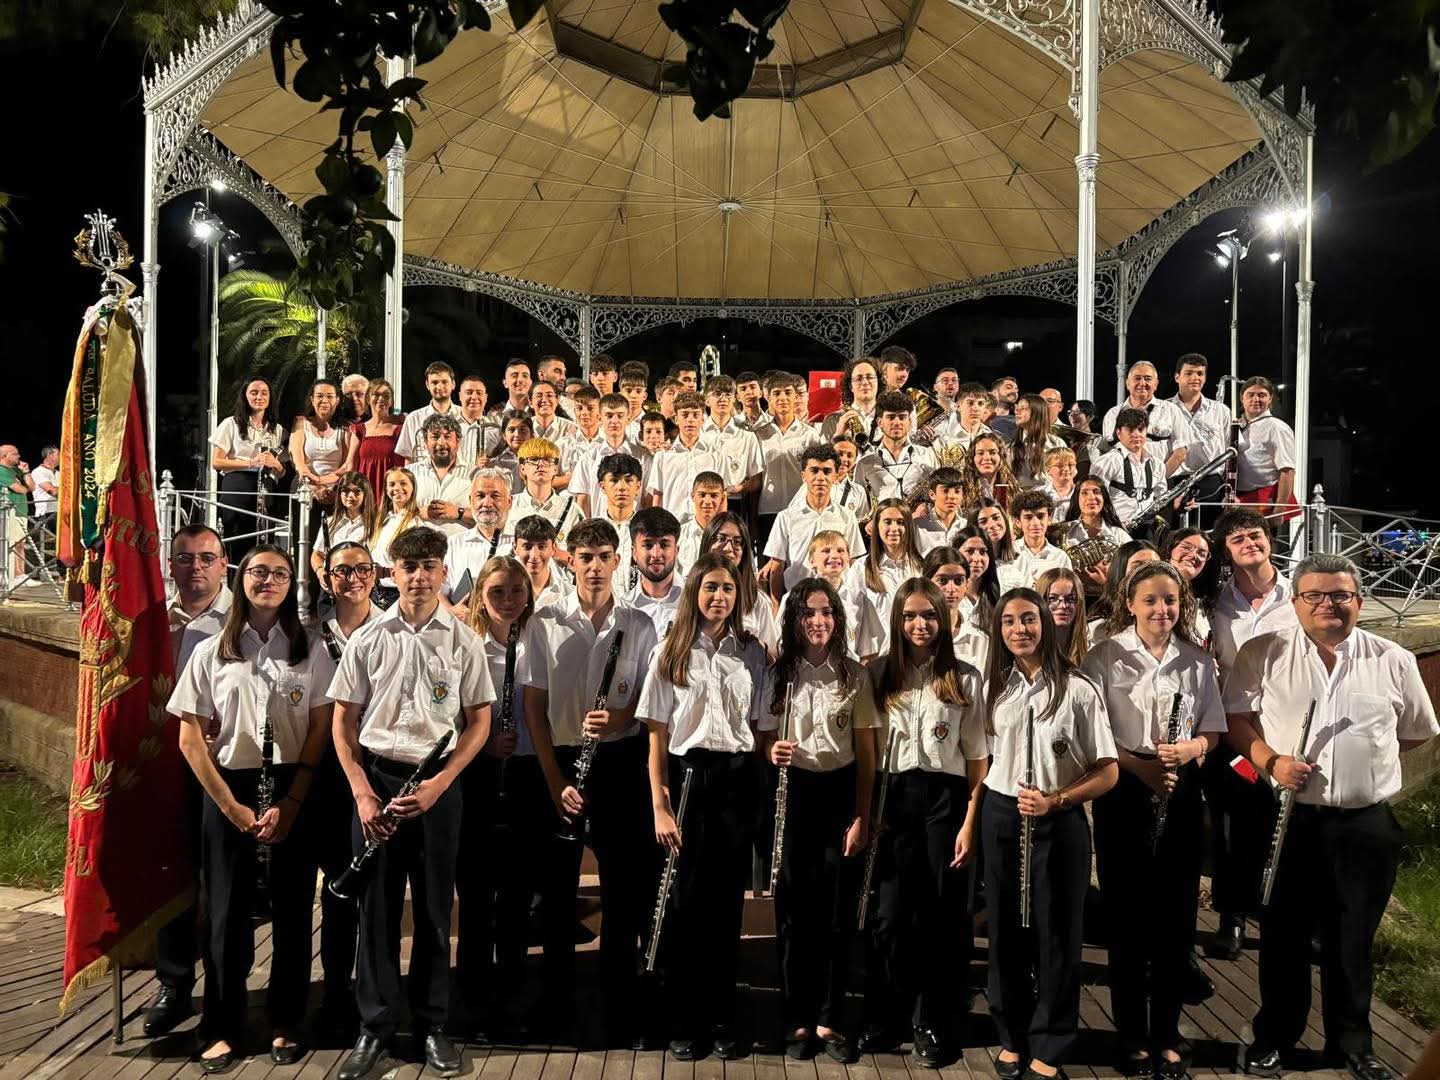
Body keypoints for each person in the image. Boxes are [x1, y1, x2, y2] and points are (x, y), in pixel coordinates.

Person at [1225, 554, 1438, 1080]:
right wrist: (1271, 762)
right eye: (1314, 595)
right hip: (1290, 820)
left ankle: (1353, 1045)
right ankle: (1275, 1037)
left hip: (1365, 825)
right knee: (1284, 937)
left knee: (1353, 939)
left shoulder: (1393, 659)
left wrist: (1366, 770)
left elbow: (1416, 732)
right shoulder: (1263, 651)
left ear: (1359, 602)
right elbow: (1237, 720)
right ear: (1296, 602)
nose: (1328, 605)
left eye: (1340, 595)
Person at [328, 526, 494, 1080]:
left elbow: (478, 722)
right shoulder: (368, 639)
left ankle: (431, 1025)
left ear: (444, 572)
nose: (419, 577)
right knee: (375, 912)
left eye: (429, 566)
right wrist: (361, 791)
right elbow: (343, 723)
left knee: (432, 911)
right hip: (377, 783)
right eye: (408, 567)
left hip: (436, 787)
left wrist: (441, 783)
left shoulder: (464, 640)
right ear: (392, 574)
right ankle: (373, 1027)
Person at [168, 545, 335, 1071]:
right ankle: (221, 1026)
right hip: (229, 787)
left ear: (291, 583)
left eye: (280, 574)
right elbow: (190, 739)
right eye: (260, 572)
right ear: (241, 579)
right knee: (225, 914)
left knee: (292, 910)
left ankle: (286, 1020)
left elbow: (320, 728)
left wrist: (294, 798)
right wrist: (231, 808)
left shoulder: (310, 648)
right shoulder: (210, 650)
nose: (269, 581)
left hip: (290, 788)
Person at [1082, 562, 1226, 1077]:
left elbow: (1212, 729)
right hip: (1124, 784)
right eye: (1151, 600)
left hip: (1178, 786)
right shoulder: (1104, 656)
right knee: (1126, 917)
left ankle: (1166, 1031)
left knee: (1175, 917)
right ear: (1130, 604)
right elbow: (1093, 730)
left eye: (1170, 600)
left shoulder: (1197, 661)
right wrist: (1139, 767)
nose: (1162, 609)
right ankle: (1130, 1034)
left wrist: (1190, 749)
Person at [523, 518, 660, 1045]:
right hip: (562, 764)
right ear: (571, 561)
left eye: (605, 556)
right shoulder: (545, 621)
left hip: (619, 763)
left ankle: (620, 1003)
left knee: (623, 889)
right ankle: (556, 1000)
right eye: (586, 557)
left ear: (618, 561)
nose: (596, 567)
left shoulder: (640, 624)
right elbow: (534, 708)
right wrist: (553, 779)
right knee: (556, 892)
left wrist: (620, 720)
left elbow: (649, 703)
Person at [981, 588, 1118, 1080]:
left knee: (1057, 934)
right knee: (1004, 932)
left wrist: (1056, 800)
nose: (1019, 629)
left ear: (1045, 623)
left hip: (1058, 819)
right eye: (1009, 621)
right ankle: (1011, 1034)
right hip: (1001, 813)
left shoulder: (1079, 689)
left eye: (1028, 619)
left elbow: (1107, 771)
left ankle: (1051, 1039)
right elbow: (983, 757)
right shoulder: (994, 688)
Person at [640, 551, 769, 1060]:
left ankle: (720, 1016)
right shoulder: (670, 650)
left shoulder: (751, 653)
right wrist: (660, 804)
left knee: (724, 906)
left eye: (728, 588)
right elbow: (657, 735)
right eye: (711, 587)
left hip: (736, 780)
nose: (720, 596)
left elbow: (756, 727)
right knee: (684, 903)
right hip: (688, 778)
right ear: (695, 591)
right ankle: (684, 1016)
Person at [857, 578, 987, 1067]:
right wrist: (867, 812)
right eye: (910, 615)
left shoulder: (964, 677)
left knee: (941, 916)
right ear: (897, 619)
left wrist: (969, 821)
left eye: (929, 615)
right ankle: (885, 1015)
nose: (919, 624)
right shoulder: (878, 674)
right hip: (892, 798)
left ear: (943, 619)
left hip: (944, 802)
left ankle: (931, 1020)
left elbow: (977, 758)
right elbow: (868, 752)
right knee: (890, 915)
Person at [762, 578, 879, 1061]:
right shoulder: (778, 673)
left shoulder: (854, 675)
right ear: (794, 618)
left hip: (839, 794)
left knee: (836, 913)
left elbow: (867, 755)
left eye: (827, 612)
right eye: (808, 612)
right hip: (794, 795)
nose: (818, 621)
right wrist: (771, 750)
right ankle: (797, 1016)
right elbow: (762, 738)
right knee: (794, 914)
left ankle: (829, 1018)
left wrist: (862, 816)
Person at [143, 524, 232, 1039]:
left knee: (223, 883)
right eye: (184, 558)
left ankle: (223, 990)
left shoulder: (242, 619)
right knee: (172, 876)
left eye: (206, 558)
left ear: (223, 565)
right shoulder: (153, 623)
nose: (195, 567)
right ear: (170, 565)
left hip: (220, 767)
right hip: (163, 765)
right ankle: (173, 985)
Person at [1203, 507, 1299, 961]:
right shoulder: (1214, 604)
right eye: (1237, 539)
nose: (1249, 543)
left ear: (1269, 539)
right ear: (1226, 551)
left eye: (1255, 534)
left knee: (1292, 829)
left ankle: (1290, 917)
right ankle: (1233, 917)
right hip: (1236, 735)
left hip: (1288, 730)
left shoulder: (1299, 596)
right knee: (1235, 827)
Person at [455, 555, 543, 1039]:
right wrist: (485, 742)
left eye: (516, 591)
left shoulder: (538, 641)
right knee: (475, 894)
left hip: (526, 773)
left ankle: (511, 998)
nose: (508, 601)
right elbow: (450, 713)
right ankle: (471, 1000)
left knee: (516, 895)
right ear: (480, 597)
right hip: (478, 774)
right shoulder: (467, 644)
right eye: (497, 592)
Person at [314, 542, 383, 1033]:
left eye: (361, 569)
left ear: (375, 575)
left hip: (377, 770)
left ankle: (379, 993)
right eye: (341, 571)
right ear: (327, 579)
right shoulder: (310, 634)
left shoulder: (393, 628)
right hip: (326, 772)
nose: (352, 578)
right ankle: (336, 990)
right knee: (339, 884)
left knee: (379, 888)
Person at [762, 444, 865, 594]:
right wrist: (776, 604)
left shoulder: (847, 517)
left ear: (836, 476)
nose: (820, 477)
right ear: (803, 475)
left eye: (827, 471)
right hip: (798, 598)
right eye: (814, 470)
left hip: (838, 598)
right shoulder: (786, 517)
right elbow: (776, 569)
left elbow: (854, 563)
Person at [210, 378, 287, 563]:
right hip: (238, 486)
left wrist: (275, 464)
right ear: (245, 396)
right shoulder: (230, 424)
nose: (259, 397)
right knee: (238, 542)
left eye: (264, 393)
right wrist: (251, 462)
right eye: (254, 393)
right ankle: (237, 580)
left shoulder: (278, 430)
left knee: (265, 544)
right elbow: (216, 462)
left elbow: (283, 471)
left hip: (267, 489)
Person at [842, 498, 924, 660]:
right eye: (887, 522)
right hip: (877, 659)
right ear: (876, 526)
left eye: (900, 522)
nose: (894, 528)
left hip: (915, 656)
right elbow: (850, 616)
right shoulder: (861, 568)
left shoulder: (921, 567)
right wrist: (852, 659)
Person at [288, 379, 356, 548]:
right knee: (305, 541)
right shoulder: (301, 423)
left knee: (334, 543)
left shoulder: (346, 428)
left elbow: (346, 466)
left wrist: (331, 488)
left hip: (336, 490)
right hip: (306, 486)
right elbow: (298, 461)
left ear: (337, 400)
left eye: (329, 396)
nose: (324, 400)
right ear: (312, 399)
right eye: (319, 396)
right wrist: (316, 488)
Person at [701, 512, 781, 651]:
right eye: (721, 539)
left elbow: (772, 653)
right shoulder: (688, 589)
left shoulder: (757, 599)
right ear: (708, 541)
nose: (728, 548)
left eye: (737, 542)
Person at [1101, 363, 1192, 477]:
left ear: (1156, 384)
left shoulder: (1170, 410)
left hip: (1163, 482)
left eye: (1148, 379)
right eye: (1137, 378)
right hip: (1120, 485)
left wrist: (1158, 481)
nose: (1142, 383)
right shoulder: (1112, 415)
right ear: (1127, 383)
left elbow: (1181, 452)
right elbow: (1105, 452)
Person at [444, 469, 517, 612]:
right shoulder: (452, 544)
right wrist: (451, 611)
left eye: (495, 496)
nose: (487, 503)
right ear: (470, 500)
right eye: (480, 496)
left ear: (509, 502)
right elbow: (438, 590)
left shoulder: (523, 543)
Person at [755, 373, 816, 544]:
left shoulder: (810, 435)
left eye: (788, 392)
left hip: (801, 509)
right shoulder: (759, 434)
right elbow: (756, 477)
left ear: (796, 397)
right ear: (768, 398)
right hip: (768, 509)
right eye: (776, 393)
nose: (783, 398)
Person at [1168, 354, 1232, 507]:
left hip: (1212, 484)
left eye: (1200, 373)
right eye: (1189, 373)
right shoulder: (1164, 409)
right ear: (1177, 377)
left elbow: (1231, 451)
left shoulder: (1221, 410)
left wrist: (1230, 489)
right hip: (1174, 483)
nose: (1195, 378)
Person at [1090, 408, 1168, 528]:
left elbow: (1161, 498)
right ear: (1118, 433)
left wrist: (1178, 502)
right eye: (1130, 430)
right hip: (1115, 529)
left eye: (1141, 429)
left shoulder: (1157, 464)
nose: (1136, 434)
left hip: (1147, 529)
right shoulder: (1106, 462)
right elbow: (1094, 500)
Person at [1235, 377, 1298, 526]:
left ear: (1270, 399)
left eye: (1262, 395)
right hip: (1239, 499)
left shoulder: (1277, 428)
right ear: (1242, 398)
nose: (1256, 399)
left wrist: (1279, 509)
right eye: (1251, 395)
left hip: (1265, 498)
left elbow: (1287, 470)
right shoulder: (1236, 425)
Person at [854, 391, 938, 503]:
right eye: (891, 417)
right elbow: (859, 505)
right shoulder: (864, 463)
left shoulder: (928, 455)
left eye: (902, 417)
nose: (897, 422)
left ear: (910, 421)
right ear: (879, 422)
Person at [649, 392, 726, 512]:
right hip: (672, 521)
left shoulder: (715, 454)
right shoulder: (663, 455)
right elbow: (658, 494)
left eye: (695, 415)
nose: (690, 420)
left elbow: (722, 495)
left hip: (706, 521)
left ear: (702, 419)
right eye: (685, 415)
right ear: (676, 419)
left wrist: (720, 523)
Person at [1055, 477, 1131, 594]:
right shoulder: (1063, 531)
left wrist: (1108, 582)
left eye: (1097, 492)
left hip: (1111, 595)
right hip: (1072, 595)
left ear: (1104, 498)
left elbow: (1133, 568)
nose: (1091, 497)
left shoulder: (1119, 534)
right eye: (1084, 493)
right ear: (1077, 499)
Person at [925, 545, 992, 676]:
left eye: (958, 581)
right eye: (942, 580)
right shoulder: (912, 633)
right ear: (927, 582)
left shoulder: (981, 639)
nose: (951, 589)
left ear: (967, 584)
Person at [702, 376, 765, 513]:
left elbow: (756, 480)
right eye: (717, 394)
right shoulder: (698, 434)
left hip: (735, 503)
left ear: (734, 399)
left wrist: (740, 488)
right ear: (707, 400)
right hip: (702, 502)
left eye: (728, 394)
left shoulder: (747, 435)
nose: (723, 399)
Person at [510, 438, 583, 551]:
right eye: (534, 459)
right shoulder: (508, 506)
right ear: (522, 468)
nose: (541, 464)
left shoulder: (572, 509)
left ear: (555, 469)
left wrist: (559, 555)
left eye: (547, 459)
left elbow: (584, 552)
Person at [410, 414, 475, 538]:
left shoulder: (475, 474)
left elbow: (489, 516)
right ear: (425, 442)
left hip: (460, 546)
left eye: (447, 437)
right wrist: (418, 513)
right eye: (435, 437)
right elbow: (394, 514)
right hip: (418, 546)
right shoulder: (411, 473)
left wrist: (458, 512)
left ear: (458, 442)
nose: (441, 443)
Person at [312, 473, 379, 586]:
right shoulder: (330, 522)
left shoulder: (375, 524)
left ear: (366, 494)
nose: (351, 496)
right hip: (334, 583)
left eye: (357, 491)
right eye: (345, 491)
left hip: (360, 583)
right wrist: (320, 572)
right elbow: (317, 554)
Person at [997, 491, 1071, 591]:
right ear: (1018, 522)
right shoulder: (1007, 551)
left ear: (1049, 519)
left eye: (1040, 516)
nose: (1035, 523)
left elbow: (1068, 591)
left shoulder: (1061, 557)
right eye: (1028, 517)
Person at [1089, 540, 1161, 641]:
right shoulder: (1099, 627)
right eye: (1137, 566)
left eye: (1155, 566)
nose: (1147, 572)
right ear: (1120, 572)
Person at [627, 506, 684, 634]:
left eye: (664, 545)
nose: (656, 554)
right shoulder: (623, 608)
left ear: (676, 551)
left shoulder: (696, 599)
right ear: (634, 552)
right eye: (648, 545)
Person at [371, 466, 421, 604]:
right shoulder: (382, 520)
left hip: (398, 593)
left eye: (403, 483)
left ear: (413, 488)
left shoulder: (416, 524)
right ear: (386, 489)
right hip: (376, 591)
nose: (397, 488)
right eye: (392, 484)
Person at [1163, 525, 1220, 645]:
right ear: (1170, 550)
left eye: (1202, 554)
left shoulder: (1204, 605)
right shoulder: (1148, 592)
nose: (1193, 555)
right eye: (1186, 548)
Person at [395, 361, 459, 463]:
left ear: (453, 384)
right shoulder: (413, 418)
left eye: (444, 382)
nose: (439, 387)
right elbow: (408, 459)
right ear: (427, 385)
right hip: (422, 473)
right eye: (434, 382)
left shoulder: (464, 415)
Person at [352, 379, 404, 500]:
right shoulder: (359, 430)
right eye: (376, 394)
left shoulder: (401, 429)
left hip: (392, 494)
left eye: (386, 395)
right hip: (365, 494)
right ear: (368, 399)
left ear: (391, 401)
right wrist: (321, 480)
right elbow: (350, 466)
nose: (381, 399)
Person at [511, 515, 574, 609]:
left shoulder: (570, 596)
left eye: (542, 547)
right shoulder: (498, 590)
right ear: (515, 547)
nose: (534, 555)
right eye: (527, 547)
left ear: (553, 548)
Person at [820, 357, 881, 444]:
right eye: (859, 379)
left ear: (878, 382)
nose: (865, 383)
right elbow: (823, 452)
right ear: (850, 386)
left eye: (870, 377)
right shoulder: (832, 420)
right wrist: (838, 434)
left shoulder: (890, 416)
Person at [1011, 395, 1067, 490]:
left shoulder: (1056, 444)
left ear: (1037, 412)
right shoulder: (1012, 447)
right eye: (1017, 408)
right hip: (1021, 496)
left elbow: (1065, 475)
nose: (1017, 411)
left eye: (1023, 408)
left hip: (1050, 495)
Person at [1035, 566, 1088, 667]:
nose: (1063, 606)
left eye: (1071, 599)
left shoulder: (1091, 654)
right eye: (1052, 598)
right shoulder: (1028, 654)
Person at [934, 382, 1003, 458]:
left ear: (984, 408)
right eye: (970, 403)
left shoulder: (994, 438)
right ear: (958, 406)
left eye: (980, 403)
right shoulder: (943, 436)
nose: (976, 408)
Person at [456, 374, 503, 467]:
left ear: (486, 398)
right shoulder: (448, 428)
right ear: (460, 396)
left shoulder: (496, 431)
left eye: (479, 393)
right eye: (469, 392)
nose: (474, 397)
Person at [960, 434, 1017, 509]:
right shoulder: (961, 490)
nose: (987, 458)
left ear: (1001, 457)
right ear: (972, 458)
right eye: (980, 453)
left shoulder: (1012, 488)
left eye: (993, 452)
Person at [529, 380, 576, 445]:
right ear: (530, 402)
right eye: (539, 396)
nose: (544, 400)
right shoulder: (524, 427)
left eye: (549, 395)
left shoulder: (571, 428)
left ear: (557, 400)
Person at [1038, 448, 1078, 518]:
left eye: (1070, 465)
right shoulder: (1039, 494)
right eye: (1060, 466)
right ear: (1048, 470)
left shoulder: (1083, 493)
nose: (1066, 469)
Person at [29, 444, 58, 535]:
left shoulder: (60, 473)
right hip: (47, 513)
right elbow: (52, 491)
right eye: (58, 454)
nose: (62, 457)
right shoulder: (38, 471)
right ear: (50, 455)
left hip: (62, 511)